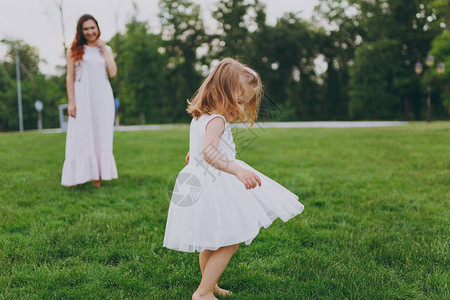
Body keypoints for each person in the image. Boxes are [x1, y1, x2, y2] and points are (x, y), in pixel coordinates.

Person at [163, 58, 304, 300]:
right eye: (239, 101)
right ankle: (203, 292)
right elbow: (209, 152)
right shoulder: (217, 120)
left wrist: (194, 153)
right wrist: (237, 170)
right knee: (231, 240)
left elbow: (201, 147)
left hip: (202, 179)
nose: (241, 108)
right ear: (221, 92)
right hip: (216, 182)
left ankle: (210, 284)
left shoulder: (201, 116)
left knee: (211, 238)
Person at [61, 14, 118, 188]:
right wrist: (71, 102)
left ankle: (97, 176)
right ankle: (73, 177)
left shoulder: (105, 48)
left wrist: (105, 50)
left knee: (101, 134)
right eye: (86, 28)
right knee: (79, 135)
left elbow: (113, 72)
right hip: (82, 98)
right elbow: (70, 76)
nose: (90, 32)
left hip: (102, 98)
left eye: (92, 27)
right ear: (81, 31)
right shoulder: (74, 50)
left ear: (97, 28)